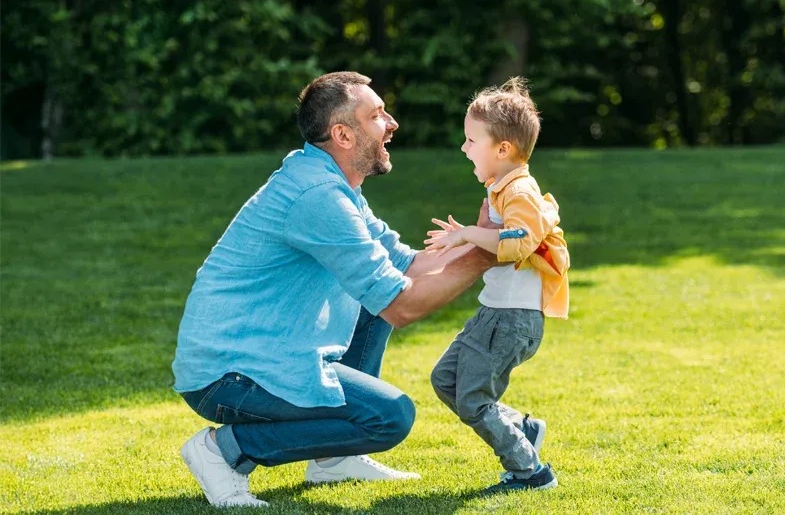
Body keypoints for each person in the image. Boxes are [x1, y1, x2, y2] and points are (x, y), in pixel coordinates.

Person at [171, 71, 500, 507]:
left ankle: (333, 459)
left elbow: (407, 265)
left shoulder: (334, 185)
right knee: (389, 417)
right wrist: (487, 257)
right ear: (343, 134)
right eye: (378, 115)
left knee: (372, 300)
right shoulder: (318, 195)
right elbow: (402, 307)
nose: (392, 122)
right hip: (228, 375)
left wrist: (483, 236)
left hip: (264, 352)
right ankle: (225, 450)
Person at [425, 76, 570, 493]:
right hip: (496, 312)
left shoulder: (520, 190)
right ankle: (522, 427)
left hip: (510, 318)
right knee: (446, 380)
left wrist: (470, 233)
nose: (464, 148)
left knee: (471, 399)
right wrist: (468, 233)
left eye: (472, 140)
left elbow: (520, 242)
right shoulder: (502, 188)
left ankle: (530, 471)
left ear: (502, 149)